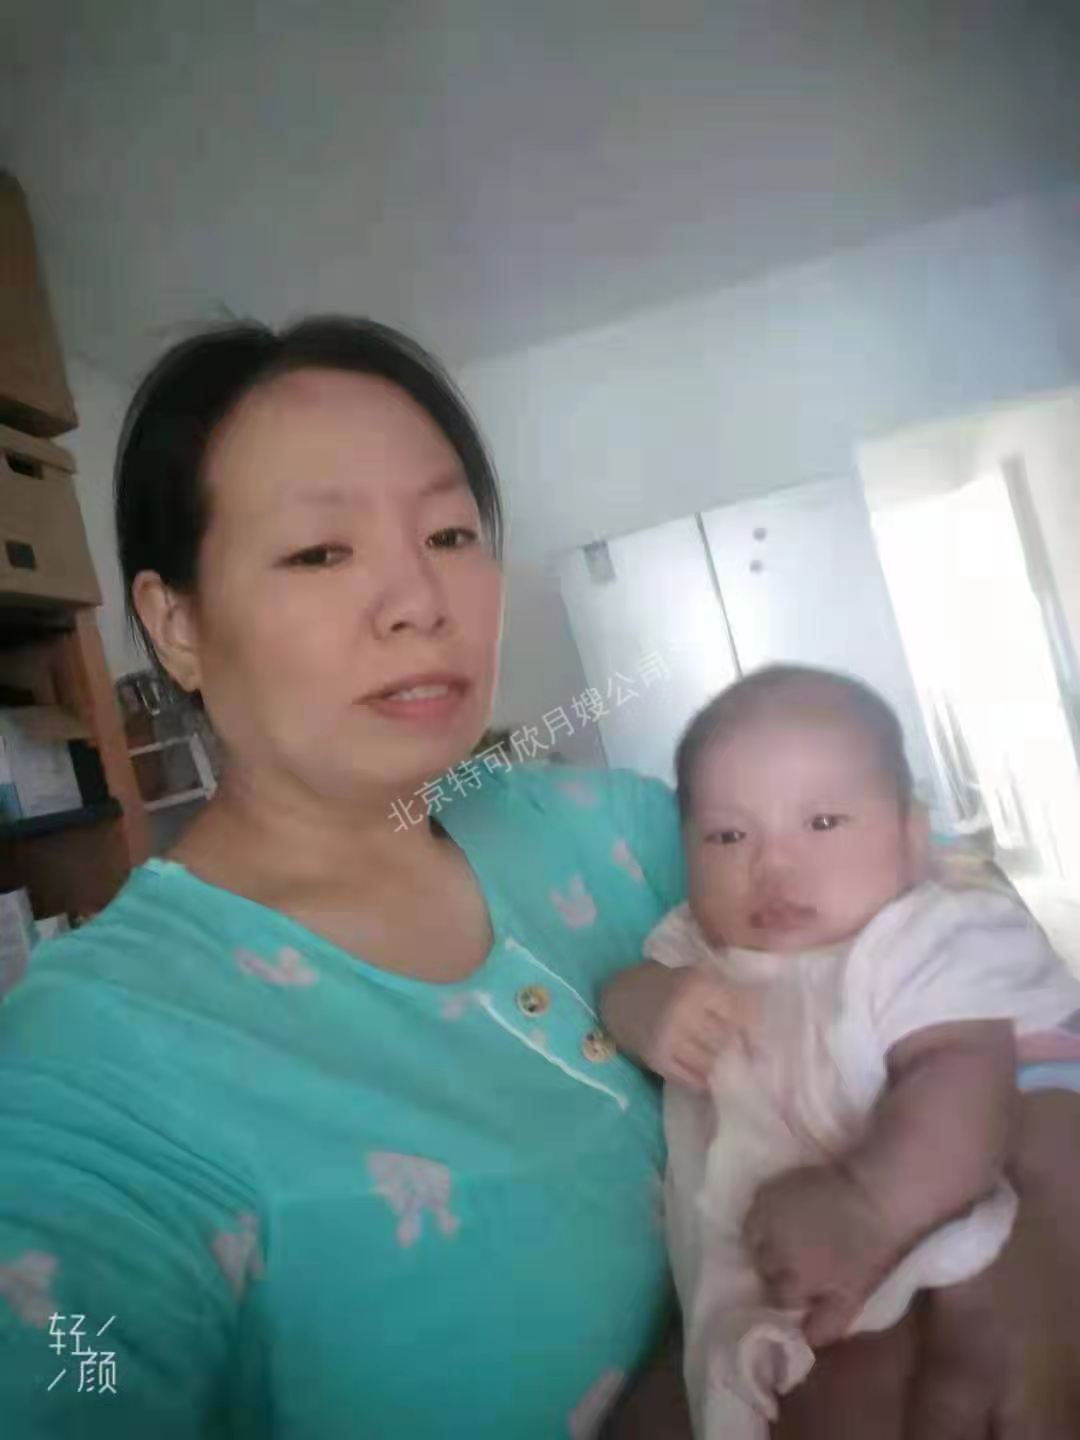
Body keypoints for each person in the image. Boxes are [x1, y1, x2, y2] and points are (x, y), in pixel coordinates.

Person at [0, 318, 1076, 1438]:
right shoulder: (93, 1057)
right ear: (175, 623)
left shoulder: (625, 833)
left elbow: (963, 936)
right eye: (321, 552)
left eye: (450, 533)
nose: (421, 599)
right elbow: (70, 1367)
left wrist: (1046, 1236)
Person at [600, 666, 1080, 1438]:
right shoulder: (692, 945)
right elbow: (628, 991)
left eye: (823, 823)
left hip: (907, 1240)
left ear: (912, 837)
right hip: (738, 1288)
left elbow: (964, 1074)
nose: (773, 867)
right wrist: (640, 1003)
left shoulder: (922, 936)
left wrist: (869, 1204)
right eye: (728, 836)